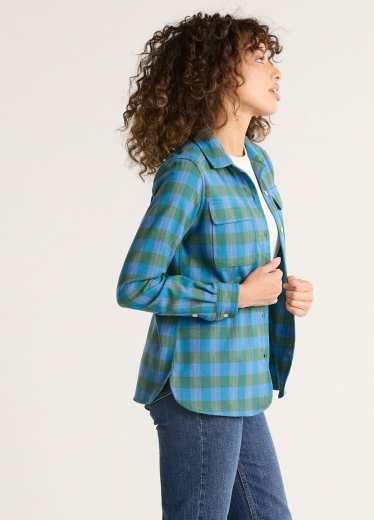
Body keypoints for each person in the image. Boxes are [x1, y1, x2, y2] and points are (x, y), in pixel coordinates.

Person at [116, 11, 314, 519]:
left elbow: (248, 263)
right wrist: (237, 296)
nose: (276, 71)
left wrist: (286, 290)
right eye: (260, 59)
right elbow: (137, 284)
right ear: (219, 73)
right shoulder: (189, 172)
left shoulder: (257, 163)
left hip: (243, 382)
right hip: (197, 386)